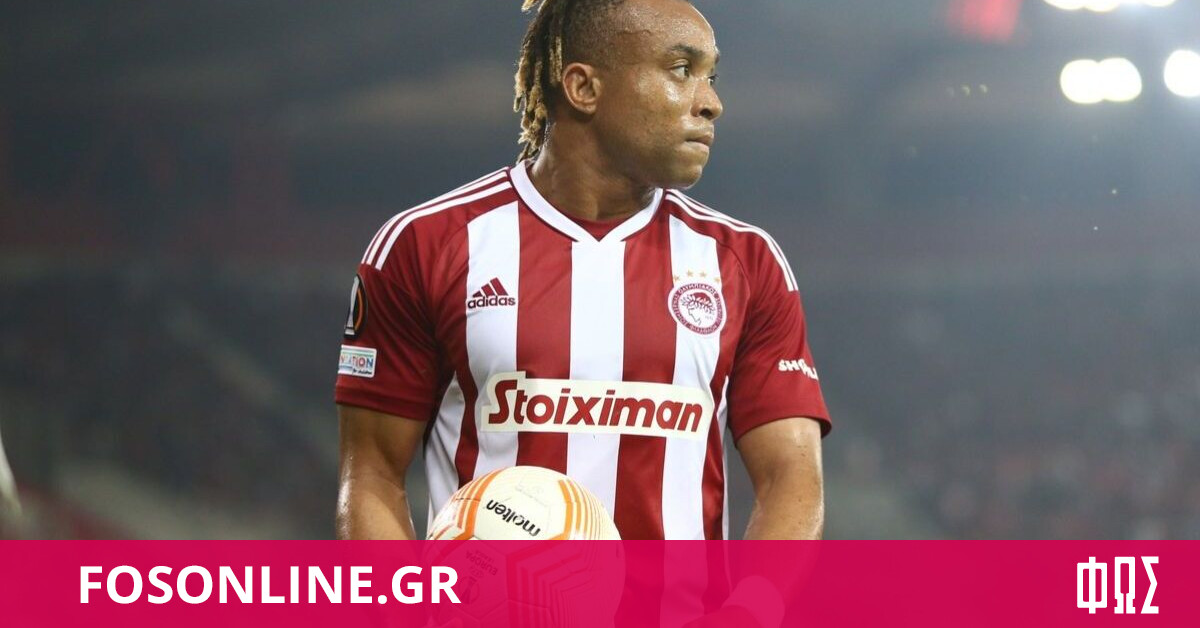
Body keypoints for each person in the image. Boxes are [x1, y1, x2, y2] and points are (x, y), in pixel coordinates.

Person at [335, 0, 828, 544]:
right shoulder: (425, 245)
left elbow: (791, 479)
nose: (711, 103)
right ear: (583, 87)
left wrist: (754, 596)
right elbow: (371, 477)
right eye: (681, 70)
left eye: (710, 77)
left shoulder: (746, 261)